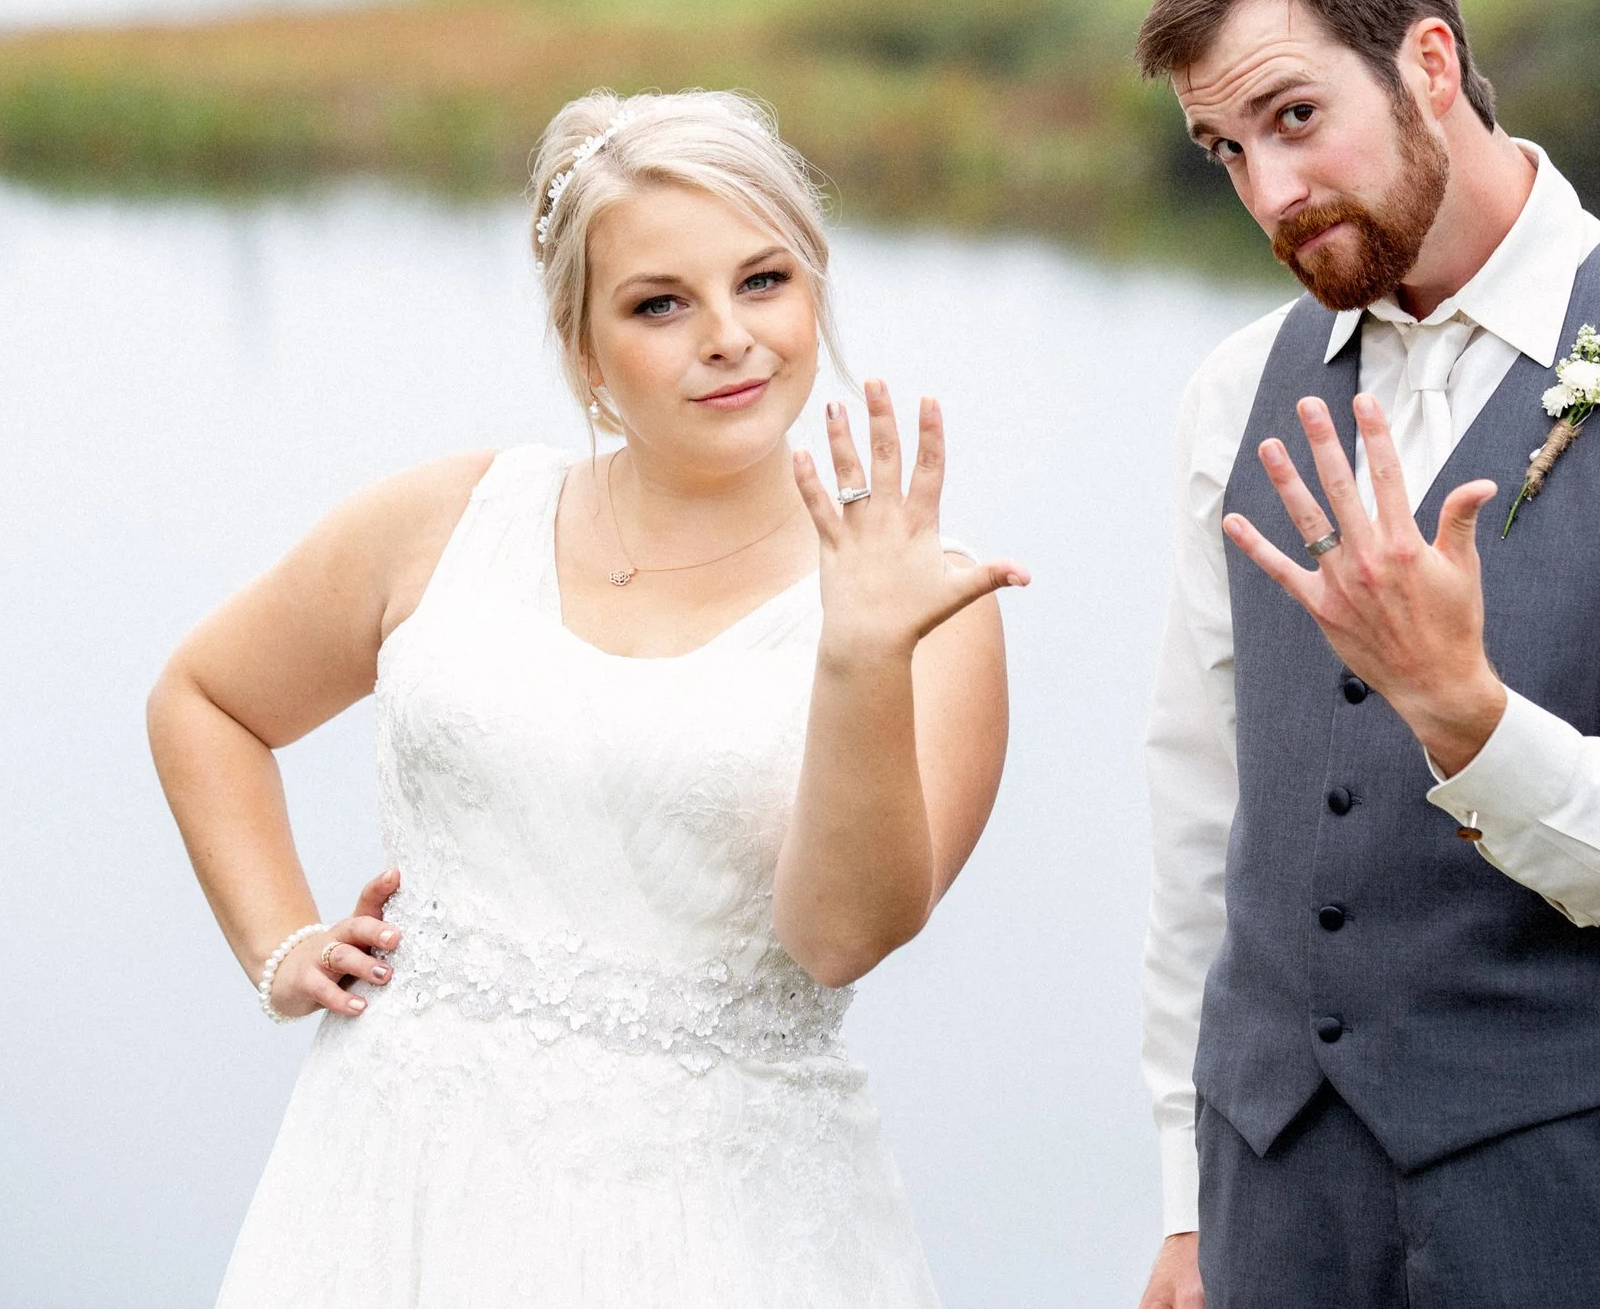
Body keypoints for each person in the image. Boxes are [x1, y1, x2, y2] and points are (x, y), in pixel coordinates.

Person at [146, 88, 1025, 1307]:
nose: (728, 336)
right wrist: (281, 939)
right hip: (393, 1186)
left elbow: (838, 938)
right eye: (660, 303)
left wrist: (858, 653)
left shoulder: (928, 606)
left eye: (763, 280)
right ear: (581, 347)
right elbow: (206, 698)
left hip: (717, 1222)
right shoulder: (444, 521)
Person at [1131, 0, 1600, 1308]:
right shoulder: (1228, 400)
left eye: (1295, 117)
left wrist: (1462, 706)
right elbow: (1204, 821)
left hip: (1589, 1188)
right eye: (1224, 150)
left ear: (1429, 62)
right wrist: (1188, 1198)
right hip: (1277, 1194)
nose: (1269, 190)